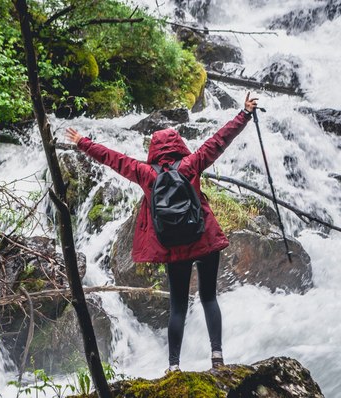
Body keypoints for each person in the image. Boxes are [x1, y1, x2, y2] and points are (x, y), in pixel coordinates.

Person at [65, 93, 259, 373]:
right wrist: (244, 113)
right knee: (208, 298)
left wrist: (83, 143)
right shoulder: (191, 164)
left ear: (154, 150)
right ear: (179, 145)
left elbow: (114, 159)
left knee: (178, 307)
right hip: (203, 240)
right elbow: (220, 140)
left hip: (173, 248)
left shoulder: (146, 173)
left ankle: (174, 366)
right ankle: (217, 358)